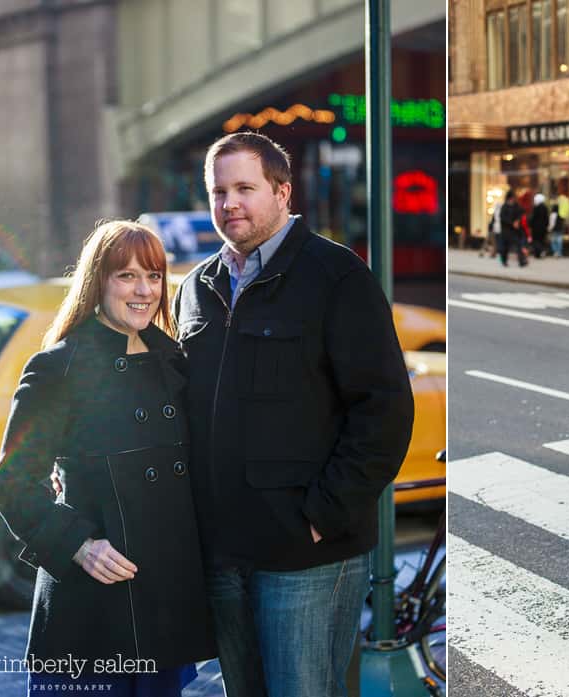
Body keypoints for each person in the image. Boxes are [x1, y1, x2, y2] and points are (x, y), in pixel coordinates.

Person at [173, 131, 415, 697]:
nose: (229, 203)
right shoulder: (196, 289)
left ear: (283, 192)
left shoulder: (336, 277)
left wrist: (322, 515)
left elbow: (383, 410)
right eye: (218, 191)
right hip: (223, 553)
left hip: (306, 557)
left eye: (244, 188)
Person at [0, 220, 215, 696]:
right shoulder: (59, 367)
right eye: (126, 276)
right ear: (98, 281)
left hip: (162, 612)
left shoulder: (174, 363)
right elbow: (13, 483)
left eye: (154, 276)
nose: (144, 290)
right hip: (89, 613)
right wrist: (79, 544)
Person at [498, 188, 526, 267]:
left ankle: (521, 261)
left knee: (518, 245)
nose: (512, 199)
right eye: (511, 198)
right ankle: (504, 261)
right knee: (505, 247)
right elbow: (503, 218)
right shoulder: (504, 207)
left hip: (514, 231)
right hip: (506, 231)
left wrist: (517, 221)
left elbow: (521, 213)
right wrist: (511, 223)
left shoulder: (516, 206)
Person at [529, 193, 550, 258]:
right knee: (541, 240)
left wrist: (530, 224)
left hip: (536, 228)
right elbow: (546, 218)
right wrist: (546, 226)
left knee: (536, 240)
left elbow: (533, 218)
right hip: (543, 228)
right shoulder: (545, 208)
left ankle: (538, 253)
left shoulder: (536, 208)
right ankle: (540, 252)